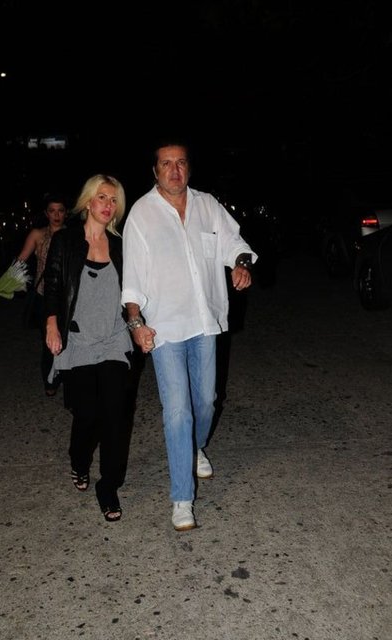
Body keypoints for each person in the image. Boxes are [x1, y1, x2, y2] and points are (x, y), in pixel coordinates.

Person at [121, 139, 258, 531]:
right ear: (155, 171)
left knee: (206, 402)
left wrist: (241, 264)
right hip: (164, 326)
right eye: (166, 163)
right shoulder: (142, 214)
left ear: (189, 168)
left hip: (205, 321)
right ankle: (182, 498)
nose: (175, 170)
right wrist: (136, 323)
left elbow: (234, 243)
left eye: (180, 162)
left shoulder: (207, 204)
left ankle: (195, 447)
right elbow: (133, 277)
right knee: (178, 410)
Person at [44, 174, 133, 522]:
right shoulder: (66, 240)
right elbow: (53, 285)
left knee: (115, 415)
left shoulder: (121, 245)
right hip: (78, 340)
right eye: (102, 197)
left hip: (113, 339)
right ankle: (79, 460)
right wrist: (52, 325)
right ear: (88, 202)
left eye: (114, 200)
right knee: (88, 415)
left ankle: (108, 486)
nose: (108, 205)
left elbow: (135, 290)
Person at [17, 193, 68, 397]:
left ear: (66, 213)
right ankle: (50, 379)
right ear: (46, 213)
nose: (56, 215)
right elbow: (22, 259)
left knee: (70, 339)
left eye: (60, 211)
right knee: (48, 341)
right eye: (52, 211)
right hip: (43, 296)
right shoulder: (38, 234)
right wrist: (8, 282)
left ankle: (67, 376)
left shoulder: (72, 235)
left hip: (67, 297)